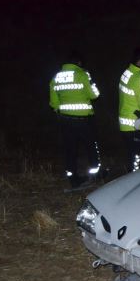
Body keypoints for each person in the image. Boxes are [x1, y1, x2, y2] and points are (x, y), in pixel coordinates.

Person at [48, 51, 102, 189]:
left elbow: (54, 102)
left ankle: (73, 179)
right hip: (84, 120)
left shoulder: (56, 77)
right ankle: (95, 175)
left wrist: (62, 112)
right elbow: (94, 95)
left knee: (70, 150)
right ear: (79, 63)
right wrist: (91, 82)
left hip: (65, 121)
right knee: (91, 148)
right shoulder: (83, 75)